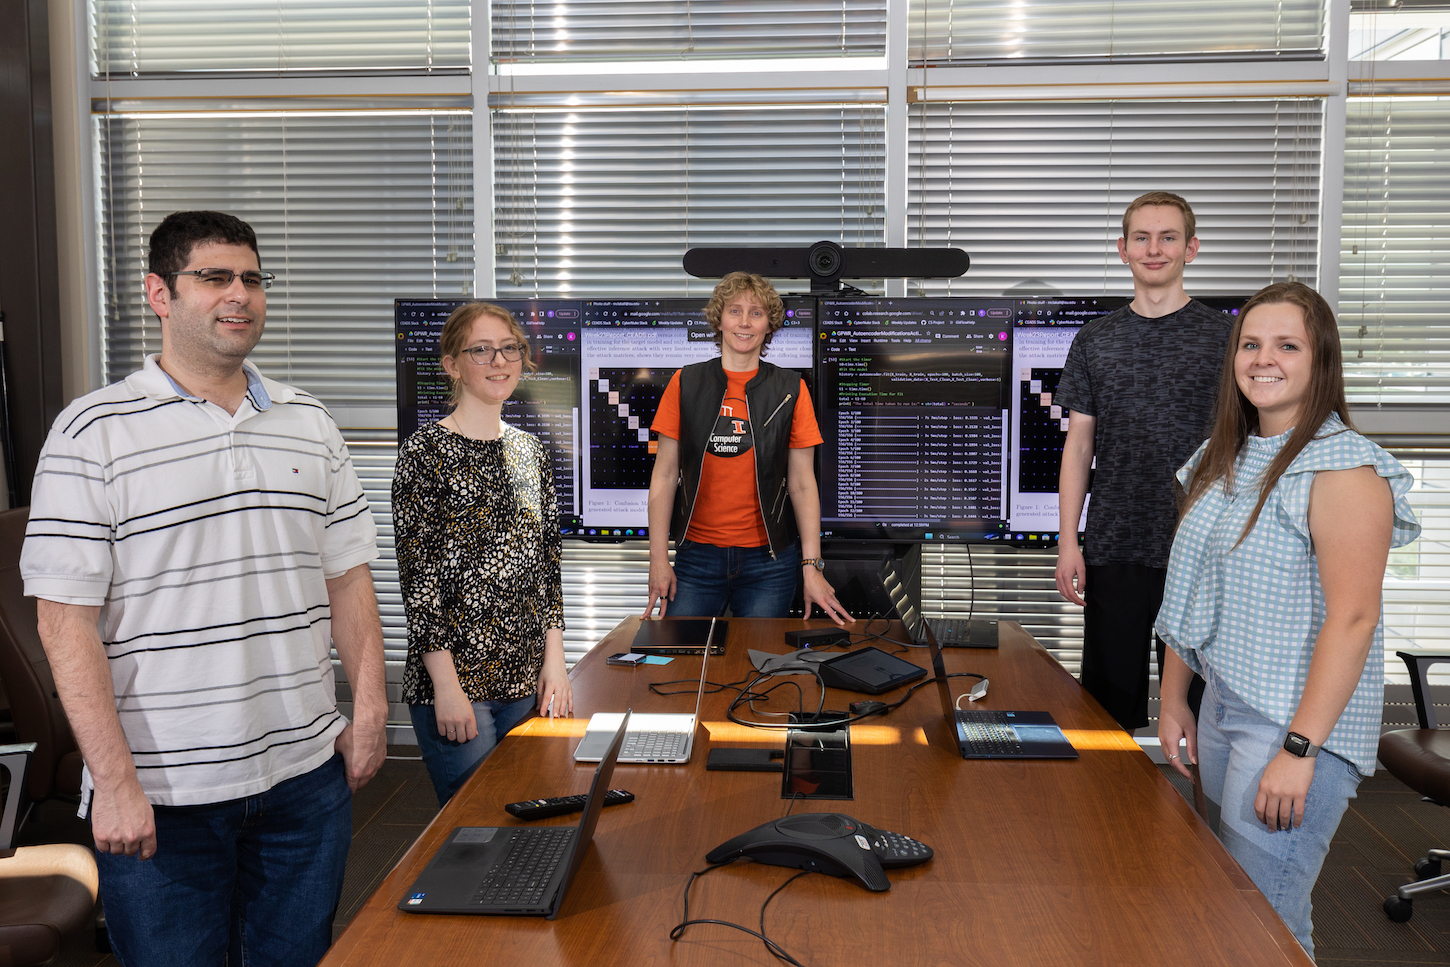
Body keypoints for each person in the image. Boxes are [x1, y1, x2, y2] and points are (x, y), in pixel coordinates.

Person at [21, 211, 388, 966]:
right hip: (164, 790)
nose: (239, 295)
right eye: (214, 277)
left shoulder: (309, 422)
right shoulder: (93, 432)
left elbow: (350, 577)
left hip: (303, 781)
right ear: (159, 293)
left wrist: (372, 709)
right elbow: (65, 623)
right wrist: (114, 783)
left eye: (252, 278)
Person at [1156, 282, 1418, 958]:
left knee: (1265, 924)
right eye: (1251, 343)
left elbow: (1353, 620)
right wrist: (1174, 696)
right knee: (1232, 901)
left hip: (1291, 727)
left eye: (1287, 344)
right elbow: (1193, 591)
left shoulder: (1344, 471)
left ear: (1320, 359)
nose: (1263, 358)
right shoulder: (1226, 457)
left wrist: (1298, 751)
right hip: (1223, 708)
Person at [1054, 190, 1229, 732]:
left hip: (1205, 545)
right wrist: (1068, 541)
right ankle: (1110, 818)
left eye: (1168, 237)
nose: (1155, 249)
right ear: (1123, 249)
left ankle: (1203, 820)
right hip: (1116, 543)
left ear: (1191, 248)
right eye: (1142, 238)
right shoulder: (1094, 340)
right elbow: (1079, 446)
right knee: (1108, 712)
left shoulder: (1229, 340)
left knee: (1204, 715)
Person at [392, 302, 572, 807]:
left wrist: (555, 664)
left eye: (509, 348)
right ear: (452, 364)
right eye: (481, 351)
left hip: (526, 678)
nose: (499, 361)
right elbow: (419, 581)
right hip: (457, 684)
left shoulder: (529, 451)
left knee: (529, 814)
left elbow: (546, 568)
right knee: (476, 827)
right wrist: (446, 686)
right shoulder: (424, 452)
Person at [644, 272, 849, 624]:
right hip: (696, 558)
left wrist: (812, 566)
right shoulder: (685, 383)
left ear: (769, 325)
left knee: (759, 669)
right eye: (735, 311)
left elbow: (802, 484)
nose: (744, 322)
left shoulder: (792, 389)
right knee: (678, 666)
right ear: (718, 320)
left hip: (770, 564)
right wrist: (658, 559)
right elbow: (663, 477)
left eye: (756, 313)